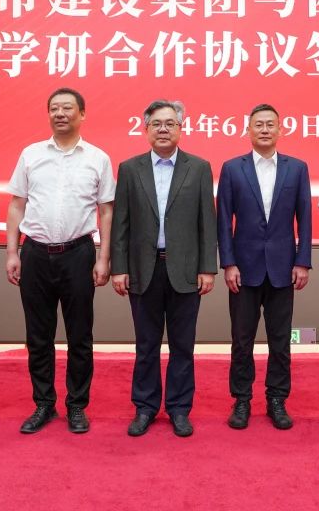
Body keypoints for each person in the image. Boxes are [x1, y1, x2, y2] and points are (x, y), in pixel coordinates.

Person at [5, 88, 115, 435]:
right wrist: (12, 252)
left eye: (67, 108)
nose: (60, 113)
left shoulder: (97, 158)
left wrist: (104, 257)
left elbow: (106, 211)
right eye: (54, 108)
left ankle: (77, 405)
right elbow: (16, 205)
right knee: (38, 336)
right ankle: (43, 403)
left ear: (82, 114)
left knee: (80, 335)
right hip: (35, 253)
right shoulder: (31, 154)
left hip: (78, 254)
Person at [111, 100, 217, 438]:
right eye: (156, 123)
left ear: (180, 128)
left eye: (170, 123)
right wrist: (119, 267)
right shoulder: (130, 169)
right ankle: (144, 407)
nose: (163, 129)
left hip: (185, 270)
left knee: (183, 345)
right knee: (146, 345)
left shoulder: (198, 168)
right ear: (145, 129)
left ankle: (179, 408)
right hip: (144, 269)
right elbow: (121, 223)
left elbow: (207, 221)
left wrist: (208, 268)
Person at [217, 104, 312, 430]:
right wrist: (228, 263)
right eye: (259, 124)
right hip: (243, 269)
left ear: (280, 129)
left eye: (271, 124)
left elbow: (304, 218)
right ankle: (242, 399)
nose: (265, 129)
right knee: (241, 340)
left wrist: (302, 261)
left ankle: (277, 399)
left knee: (280, 340)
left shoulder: (296, 168)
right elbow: (223, 220)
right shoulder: (232, 168)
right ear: (248, 130)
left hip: (283, 268)